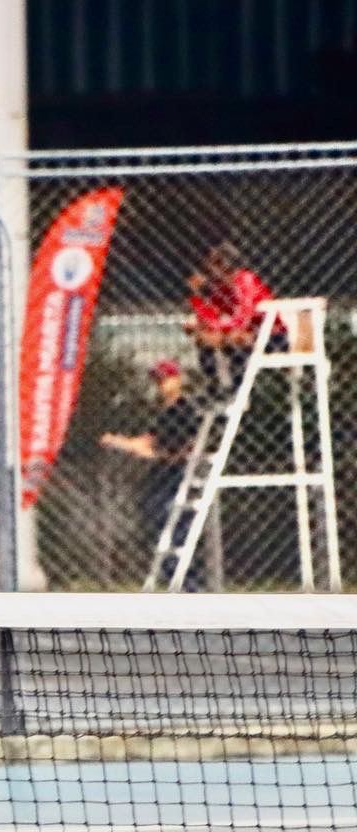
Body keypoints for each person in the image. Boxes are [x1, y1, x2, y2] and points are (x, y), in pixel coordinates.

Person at [100, 358, 205, 590]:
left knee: (175, 527)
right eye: (158, 379)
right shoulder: (165, 412)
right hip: (164, 471)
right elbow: (148, 441)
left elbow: (174, 446)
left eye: (166, 378)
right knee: (160, 524)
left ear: (178, 379)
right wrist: (121, 441)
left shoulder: (183, 409)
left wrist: (150, 451)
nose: (161, 384)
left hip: (176, 472)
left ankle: (189, 584)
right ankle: (177, 580)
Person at [185, 242, 275, 400]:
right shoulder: (223, 288)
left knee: (233, 337)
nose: (208, 274)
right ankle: (216, 386)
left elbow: (241, 320)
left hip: (273, 335)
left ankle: (239, 390)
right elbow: (209, 313)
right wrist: (197, 298)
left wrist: (212, 326)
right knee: (205, 339)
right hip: (247, 333)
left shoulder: (245, 280)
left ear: (223, 265)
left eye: (211, 266)